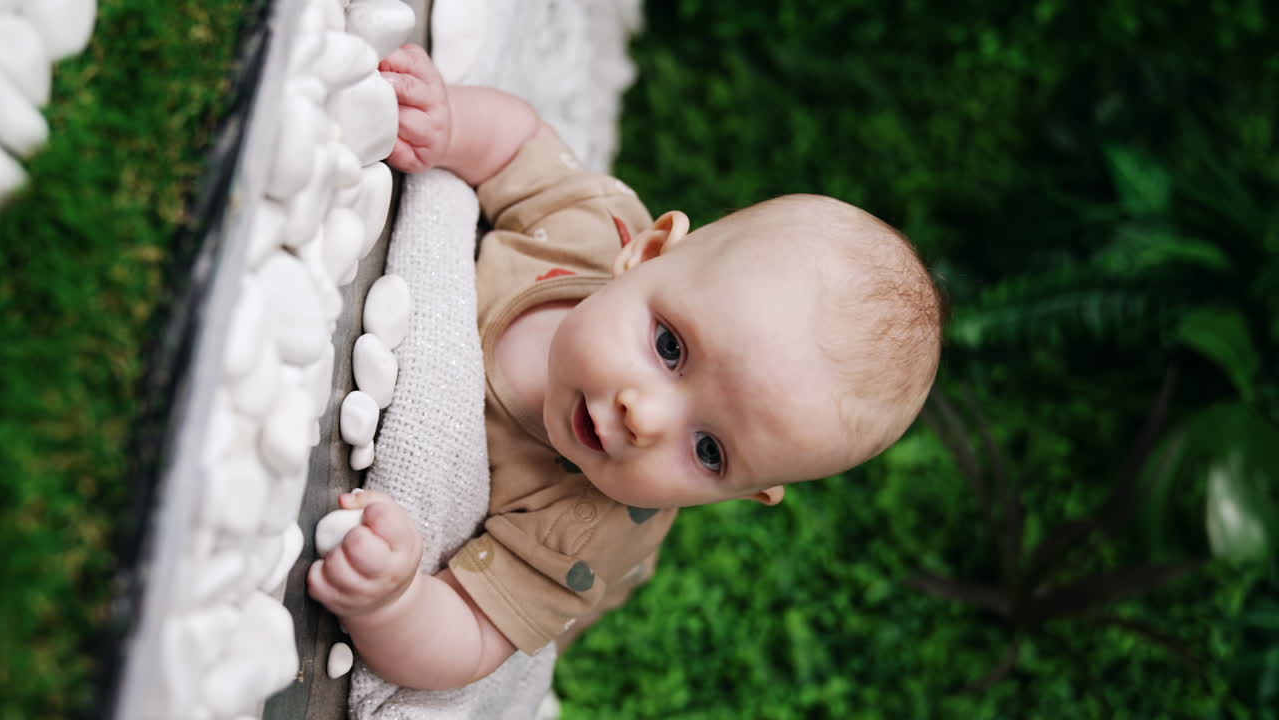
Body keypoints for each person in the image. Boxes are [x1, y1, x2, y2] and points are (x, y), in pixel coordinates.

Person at [307, 43, 943, 691]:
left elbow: (467, 642)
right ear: (644, 252)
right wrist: (447, 125)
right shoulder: (588, 233)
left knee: (540, 630)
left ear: (739, 494)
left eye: (709, 451)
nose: (644, 418)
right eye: (671, 348)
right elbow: (518, 144)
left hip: (570, 578)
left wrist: (393, 602)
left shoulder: (585, 531)